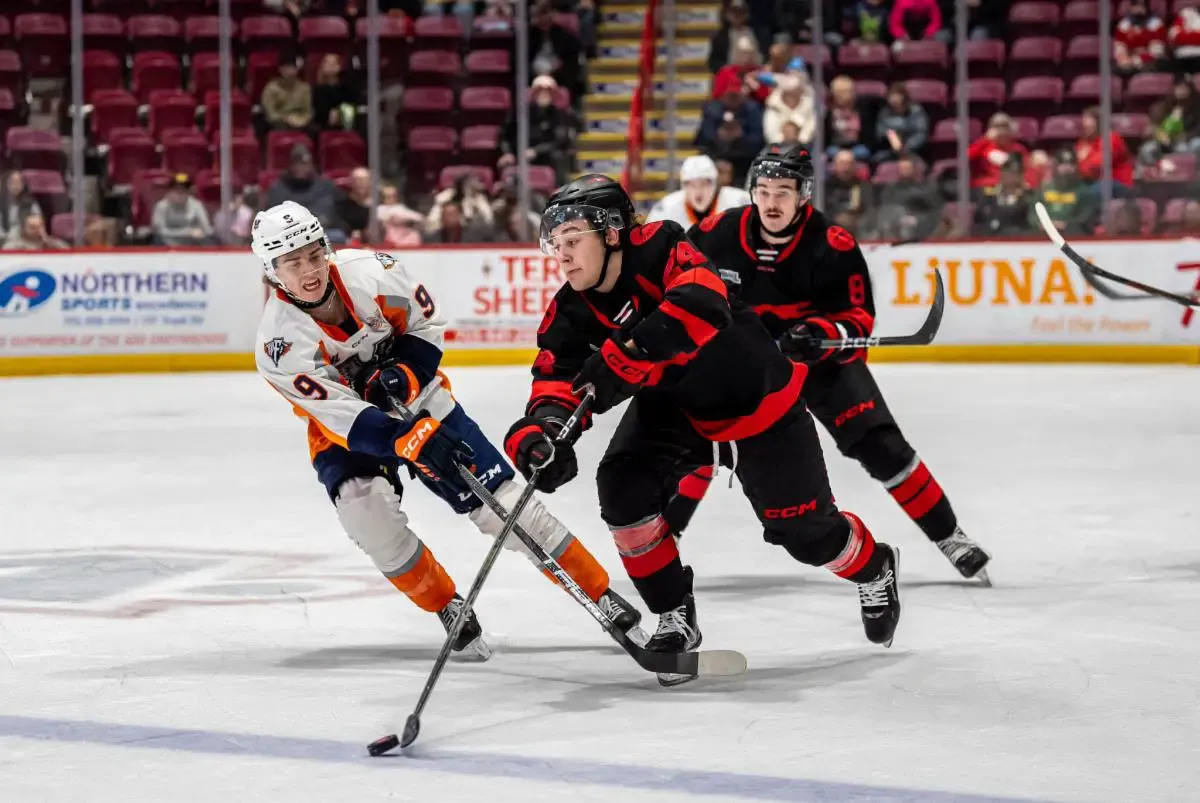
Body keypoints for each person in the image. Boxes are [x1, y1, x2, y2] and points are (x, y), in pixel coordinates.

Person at [503, 175, 902, 686]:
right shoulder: (570, 310)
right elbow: (554, 380)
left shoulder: (663, 244)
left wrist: (628, 355)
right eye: (555, 245)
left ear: (612, 232)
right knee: (622, 485)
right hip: (674, 407)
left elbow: (702, 302)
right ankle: (674, 616)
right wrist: (542, 434)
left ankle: (874, 567)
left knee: (807, 537)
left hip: (755, 400)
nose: (563, 256)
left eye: (573, 240)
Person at [251, 200, 642, 659]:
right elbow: (341, 415)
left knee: (505, 507)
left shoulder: (371, 273)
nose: (309, 270)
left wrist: (404, 376)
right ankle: (445, 603)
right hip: (349, 434)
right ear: (272, 272)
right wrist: (410, 439)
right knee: (367, 517)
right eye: (293, 263)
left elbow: (427, 327)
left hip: (422, 402)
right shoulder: (278, 346)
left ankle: (599, 593)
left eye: (314, 254)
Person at [686, 145, 991, 582]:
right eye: (765, 191)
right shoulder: (717, 233)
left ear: (803, 194)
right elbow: (680, 283)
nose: (772, 203)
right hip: (750, 367)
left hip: (821, 367)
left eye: (784, 193)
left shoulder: (833, 244)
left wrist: (822, 335)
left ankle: (951, 537)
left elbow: (859, 318)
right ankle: (667, 539)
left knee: (884, 449)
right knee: (692, 441)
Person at [647, 155, 751, 228]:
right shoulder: (666, 209)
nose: (699, 190)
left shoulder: (740, 202)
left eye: (705, 184)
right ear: (684, 187)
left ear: (715, 184)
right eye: (692, 184)